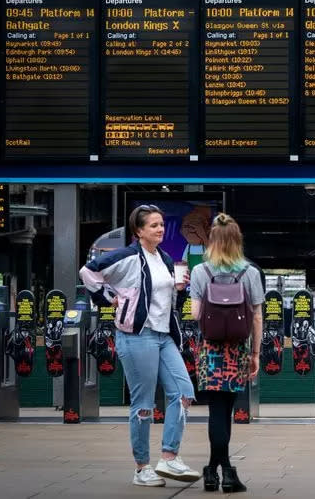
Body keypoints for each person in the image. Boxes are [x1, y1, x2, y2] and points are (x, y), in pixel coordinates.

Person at [79, 204, 201, 487]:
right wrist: (108, 299)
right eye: (154, 225)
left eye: (161, 224)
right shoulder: (127, 257)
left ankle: (169, 457)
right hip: (137, 336)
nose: (160, 229)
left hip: (164, 336)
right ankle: (142, 468)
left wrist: (178, 290)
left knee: (183, 393)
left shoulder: (166, 259)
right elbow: (88, 272)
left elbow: (169, 303)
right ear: (138, 231)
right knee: (143, 403)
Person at [190, 213, 264, 493]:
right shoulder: (250, 272)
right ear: (237, 241)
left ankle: (212, 472)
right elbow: (257, 317)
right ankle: (227, 472)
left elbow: (196, 313)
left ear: (211, 241)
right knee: (227, 411)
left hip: (210, 350)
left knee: (215, 411)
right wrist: (255, 353)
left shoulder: (200, 272)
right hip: (238, 350)